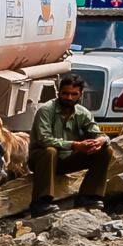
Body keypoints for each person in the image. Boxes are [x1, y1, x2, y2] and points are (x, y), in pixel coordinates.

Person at [30, 74, 113, 207]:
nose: (69, 98)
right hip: (42, 161)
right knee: (50, 151)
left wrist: (100, 140)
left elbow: (99, 134)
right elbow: (44, 140)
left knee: (106, 150)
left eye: (74, 94)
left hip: (68, 160)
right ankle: (41, 202)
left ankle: (89, 196)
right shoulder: (46, 110)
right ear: (59, 92)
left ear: (80, 95)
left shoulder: (83, 113)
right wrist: (75, 145)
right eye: (65, 93)